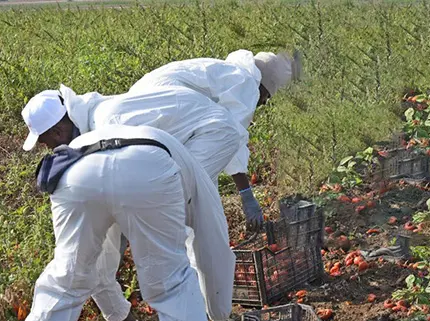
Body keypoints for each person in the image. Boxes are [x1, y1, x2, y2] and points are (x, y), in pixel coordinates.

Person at [11, 117, 230, 321]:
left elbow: (96, 271)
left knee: (67, 278)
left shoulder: (86, 143)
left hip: (77, 173)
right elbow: (214, 252)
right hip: (146, 168)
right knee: (171, 281)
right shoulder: (190, 175)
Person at [129, 49, 303, 231]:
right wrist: (246, 196)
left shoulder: (225, 72)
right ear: (263, 86)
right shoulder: (245, 84)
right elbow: (231, 139)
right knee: (192, 189)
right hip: (168, 106)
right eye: (267, 96)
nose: (264, 103)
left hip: (140, 105)